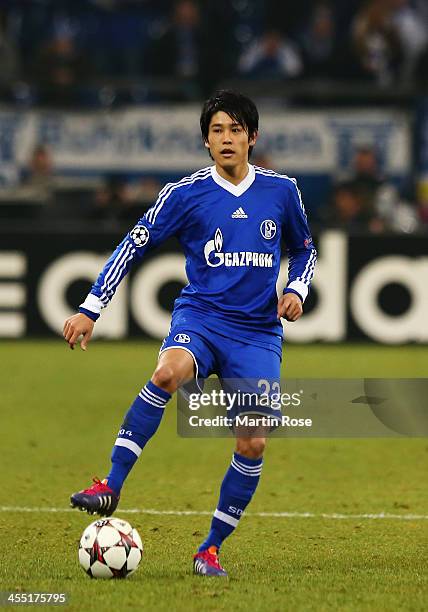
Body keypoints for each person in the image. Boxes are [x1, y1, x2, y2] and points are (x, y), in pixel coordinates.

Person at [63, 90, 316, 577]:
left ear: (252, 138)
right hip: (201, 318)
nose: (227, 139)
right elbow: (133, 244)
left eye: (236, 130)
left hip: (257, 334)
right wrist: (91, 308)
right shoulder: (185, 194)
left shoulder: (283, 192)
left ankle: (210, 549)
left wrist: (298, 290)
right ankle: (110, 484)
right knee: (167, 372)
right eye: (218, 130)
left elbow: (306, 249)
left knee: (253, 443)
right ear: (206, 140)